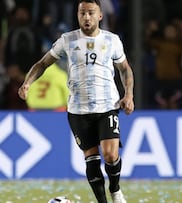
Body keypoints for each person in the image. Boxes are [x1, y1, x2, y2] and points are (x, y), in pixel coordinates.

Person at [18, 0, 134, 202]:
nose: (86, 17)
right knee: (91, 159)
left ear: (100, 15)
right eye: (82, 13)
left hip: (107, 106)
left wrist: (129, 95)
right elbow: (43, 63)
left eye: (91, 12)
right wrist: (27, 83)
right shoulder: (67, 40)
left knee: (109, 154)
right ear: (77, 15)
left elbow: (124, 69)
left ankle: (115, 190)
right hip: (78, 110)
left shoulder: (112, 40)